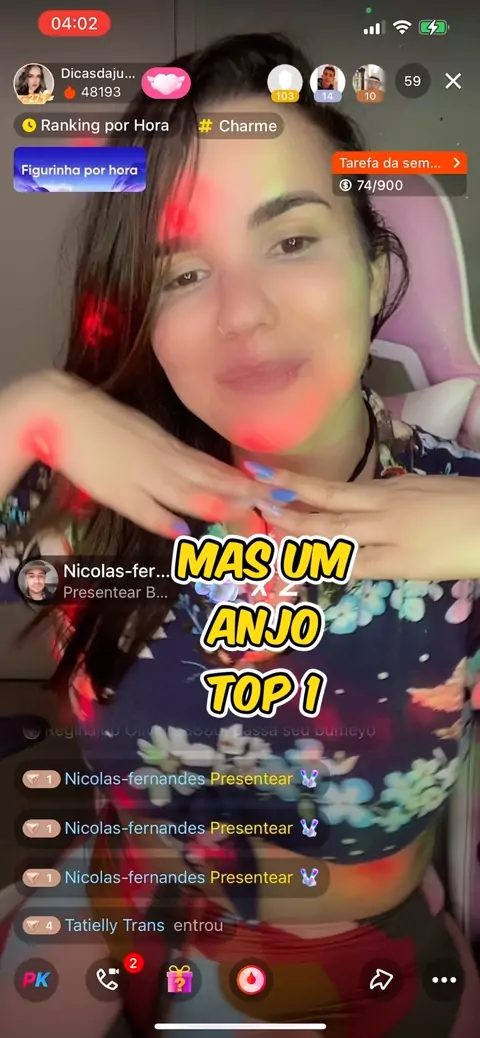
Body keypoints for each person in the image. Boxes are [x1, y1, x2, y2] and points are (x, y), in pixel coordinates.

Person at [1, 31, 480, 1038]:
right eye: (182, 275)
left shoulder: (460, 517)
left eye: (292, 240)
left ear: (374, 268)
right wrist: (28, 412)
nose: (242, 314)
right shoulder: (92, 499)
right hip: (120, 913)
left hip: (353, 965)